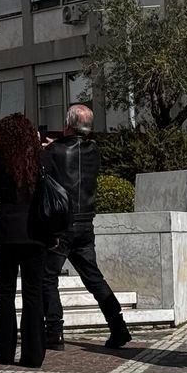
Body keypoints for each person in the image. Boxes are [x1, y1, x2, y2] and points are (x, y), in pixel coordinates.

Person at [41, 105, 131, 351]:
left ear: (67, 123)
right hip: (85, 223)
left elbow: (46, 175)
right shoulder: (94, 151)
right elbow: (76, 150)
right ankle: (118, 327)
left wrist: (48, 148)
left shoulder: (54, 151)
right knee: (94, 277)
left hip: (61, 226)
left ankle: (54, 331)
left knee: (47, 277)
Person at [0, 113, 48, 368]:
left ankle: (4, 351)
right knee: (33, 293)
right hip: (35, 231)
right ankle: (33, 354)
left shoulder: (1, 158)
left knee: (6, 291)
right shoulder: (40, 158)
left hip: (7, 230)